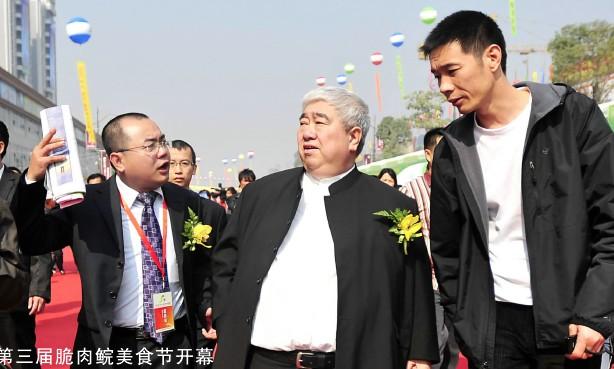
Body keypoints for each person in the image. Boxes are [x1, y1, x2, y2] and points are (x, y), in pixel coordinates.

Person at [425, 11, 614, 369]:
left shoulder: (571, 118)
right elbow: (447, 251)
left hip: (570, 326)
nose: (444, 87)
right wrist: (467, 324)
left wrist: (594, 314)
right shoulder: (452, 149)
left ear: (492, 57)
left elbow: (610, 221)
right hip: (495, 331)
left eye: (452, 71)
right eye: (437, 77)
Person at [212, 86, 438, 369]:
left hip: (352, 359)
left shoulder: (392, 205)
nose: (307, 132)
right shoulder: (261, 195)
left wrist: (419, 354)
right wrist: (226, 319)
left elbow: (414, 286)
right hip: (263, 359)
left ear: (353, 137)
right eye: (303, 122)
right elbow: (225, 265)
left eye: (319, 122)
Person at [11, 113, 227, 368]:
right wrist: (33, 179)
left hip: (175, 346)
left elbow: (212, 268)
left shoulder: (192, 206)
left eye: (163, 142)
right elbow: (31, 240)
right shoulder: (86, 204)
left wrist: (209, 305)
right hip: (109, 348)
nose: (164, 153)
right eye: (150, 146)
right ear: (118, 160)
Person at [0, 120, 52, 369]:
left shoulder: (20, 183)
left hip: (11, 284)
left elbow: (35, 235)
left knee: (19, 354)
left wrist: (38, 288)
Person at [400, 128, 452, 369]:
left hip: (459, 283)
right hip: (429, 282)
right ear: (428, 154)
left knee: (459, 349)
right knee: (434, 347)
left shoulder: (460, 188)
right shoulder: (411, 190)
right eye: (443, 149)